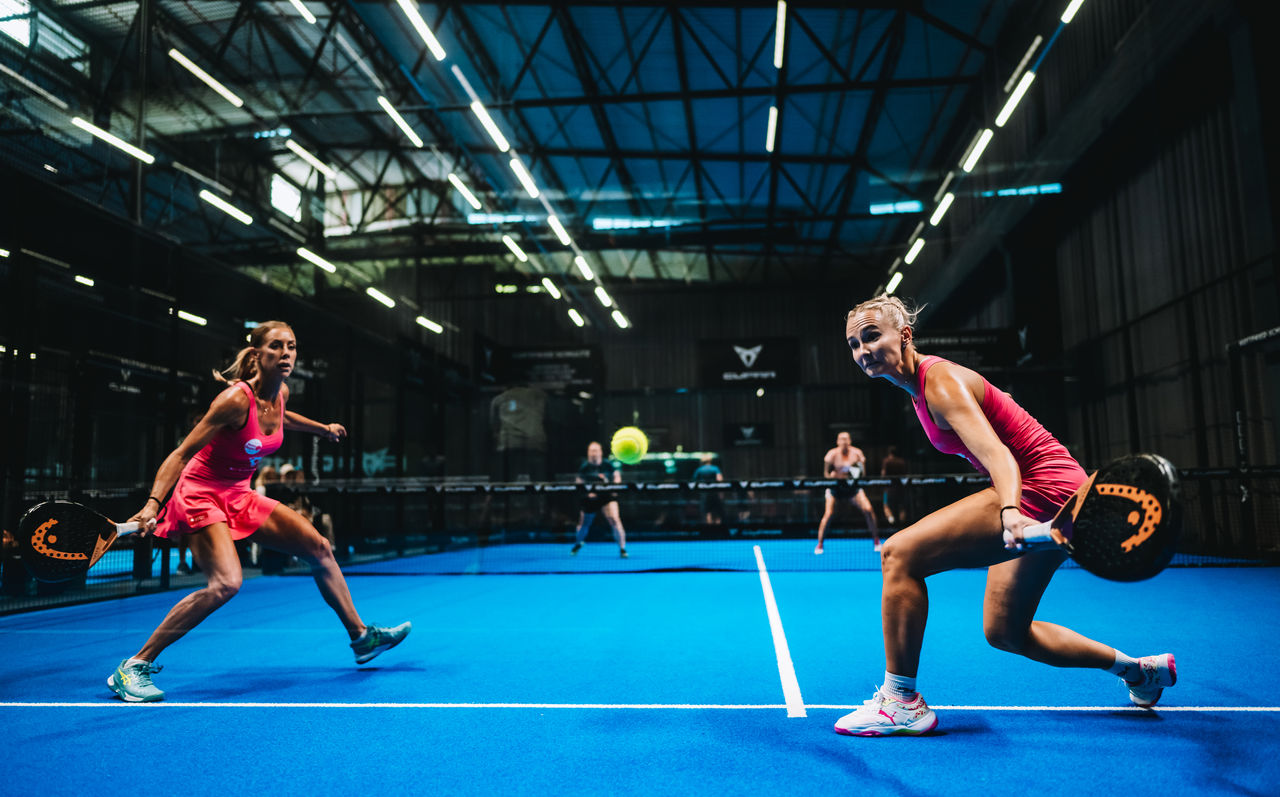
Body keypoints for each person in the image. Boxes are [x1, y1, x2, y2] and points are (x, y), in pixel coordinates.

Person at [833, 295, 1175, 736]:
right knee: (1006, 631)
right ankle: (1139, 670)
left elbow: (999, 455)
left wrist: (1011, 510)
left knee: (899, 554)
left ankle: (901, 701)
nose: (863, 350)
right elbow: (1001, 410)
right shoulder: (927, 385)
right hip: (1057, 491)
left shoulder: (938, 382)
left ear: (905, 335)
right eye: (854, 343)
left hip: (1040, 487)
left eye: (872, 336)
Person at [109, 321, 411, 703]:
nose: (286, 353)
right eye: (276, 346)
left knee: (319, 547)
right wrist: (153, 504)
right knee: (226, 584)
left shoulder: (280, 392)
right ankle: (134, 665)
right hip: (201, 493)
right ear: (257, 355)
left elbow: (282, 417)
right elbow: (181, 454)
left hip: (238, 492)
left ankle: (362, 637)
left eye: (292, 346)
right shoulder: (234, 400)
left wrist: (322, 430)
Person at [814, 432, 881, 555]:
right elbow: (826, 474)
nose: (844, 441)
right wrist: (834, 478)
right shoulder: (831, 454)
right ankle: (820, 544)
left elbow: (863, 474)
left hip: (853, 489)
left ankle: (876, 541)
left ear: (850, 441)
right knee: (828, 513)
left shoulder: (857, 454)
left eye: (846, 439)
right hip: (835, 489)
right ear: (837, 441)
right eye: (841, 439)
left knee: (868, 509)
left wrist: (851, 477)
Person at [569, 441, 627, 558]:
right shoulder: (584, 467)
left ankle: (622, 549)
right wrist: (588, 493)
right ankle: (578, 543)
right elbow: (579, 481)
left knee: (615, 519)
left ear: (600, 452)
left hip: (607, 497)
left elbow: (616, 476)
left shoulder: (608, 465)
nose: (593, 453)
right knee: (584, 523)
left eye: (595, 451)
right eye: (591, 451)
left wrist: (614, 487)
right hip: (591, 499)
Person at [691, 454, 725, 524]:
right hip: (715, 492)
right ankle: (718, 528)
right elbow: (720, 480)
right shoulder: (715, 468)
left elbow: (693, 482)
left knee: (707, 512)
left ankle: (709, 527)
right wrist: (721, 492)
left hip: (704, 493)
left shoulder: (699, 470)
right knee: (717, 511)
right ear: (710, 460)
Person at [880, 445, 909, 526]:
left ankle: (891, 521)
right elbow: (905, 475)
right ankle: (902, 524)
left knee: (886, 506)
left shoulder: (886, 461)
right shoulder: (901, 461)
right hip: (900, 488)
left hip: (889, 489)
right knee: (902, 507)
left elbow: (883, 474)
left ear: (889, 453)